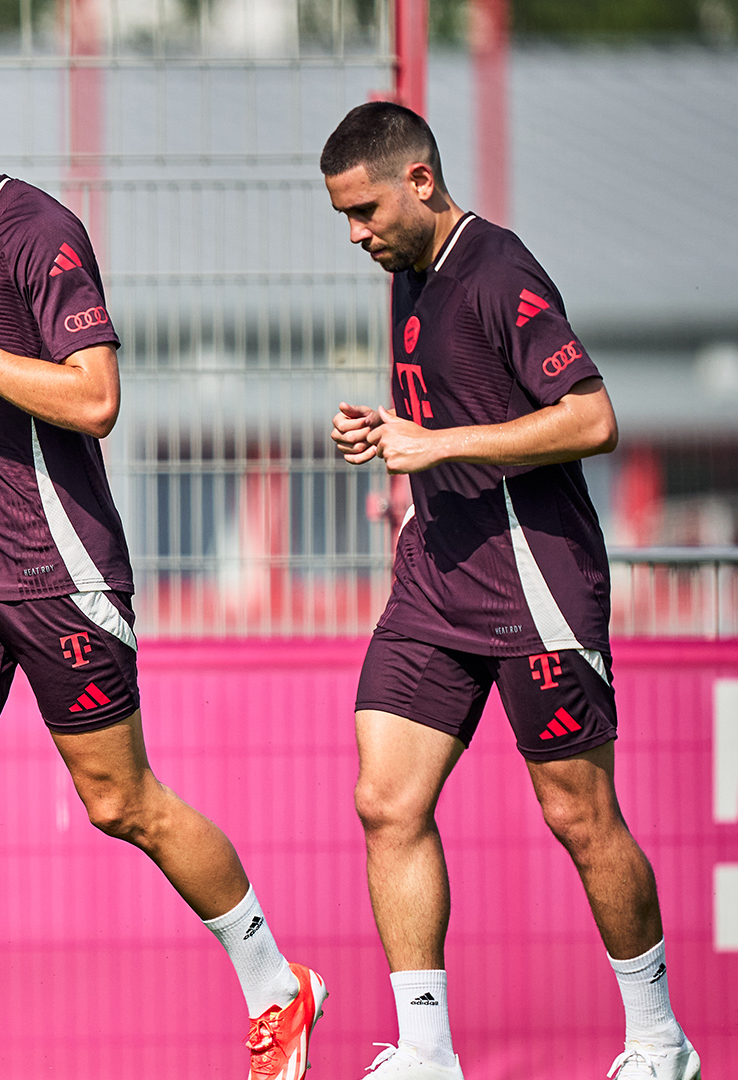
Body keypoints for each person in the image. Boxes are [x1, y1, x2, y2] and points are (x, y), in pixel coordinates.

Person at [0, 53, 326, 1080]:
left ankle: (277, 985)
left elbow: (92, 399)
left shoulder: (41, 231)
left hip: (57, 564)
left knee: (121, 800)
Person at [323, 102, 698, 1080]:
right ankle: (427, 1053)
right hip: (436, 581)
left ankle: (659, 1041)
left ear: (418, 179)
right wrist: (404, 453)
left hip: (535, 584)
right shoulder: (408, 276)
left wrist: (437, 446)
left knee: (581, 817)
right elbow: (458, 408)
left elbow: (591, 419)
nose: (355, 233)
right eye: (343, 218)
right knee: (384, 801)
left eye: (364, 210)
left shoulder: (500, 271)